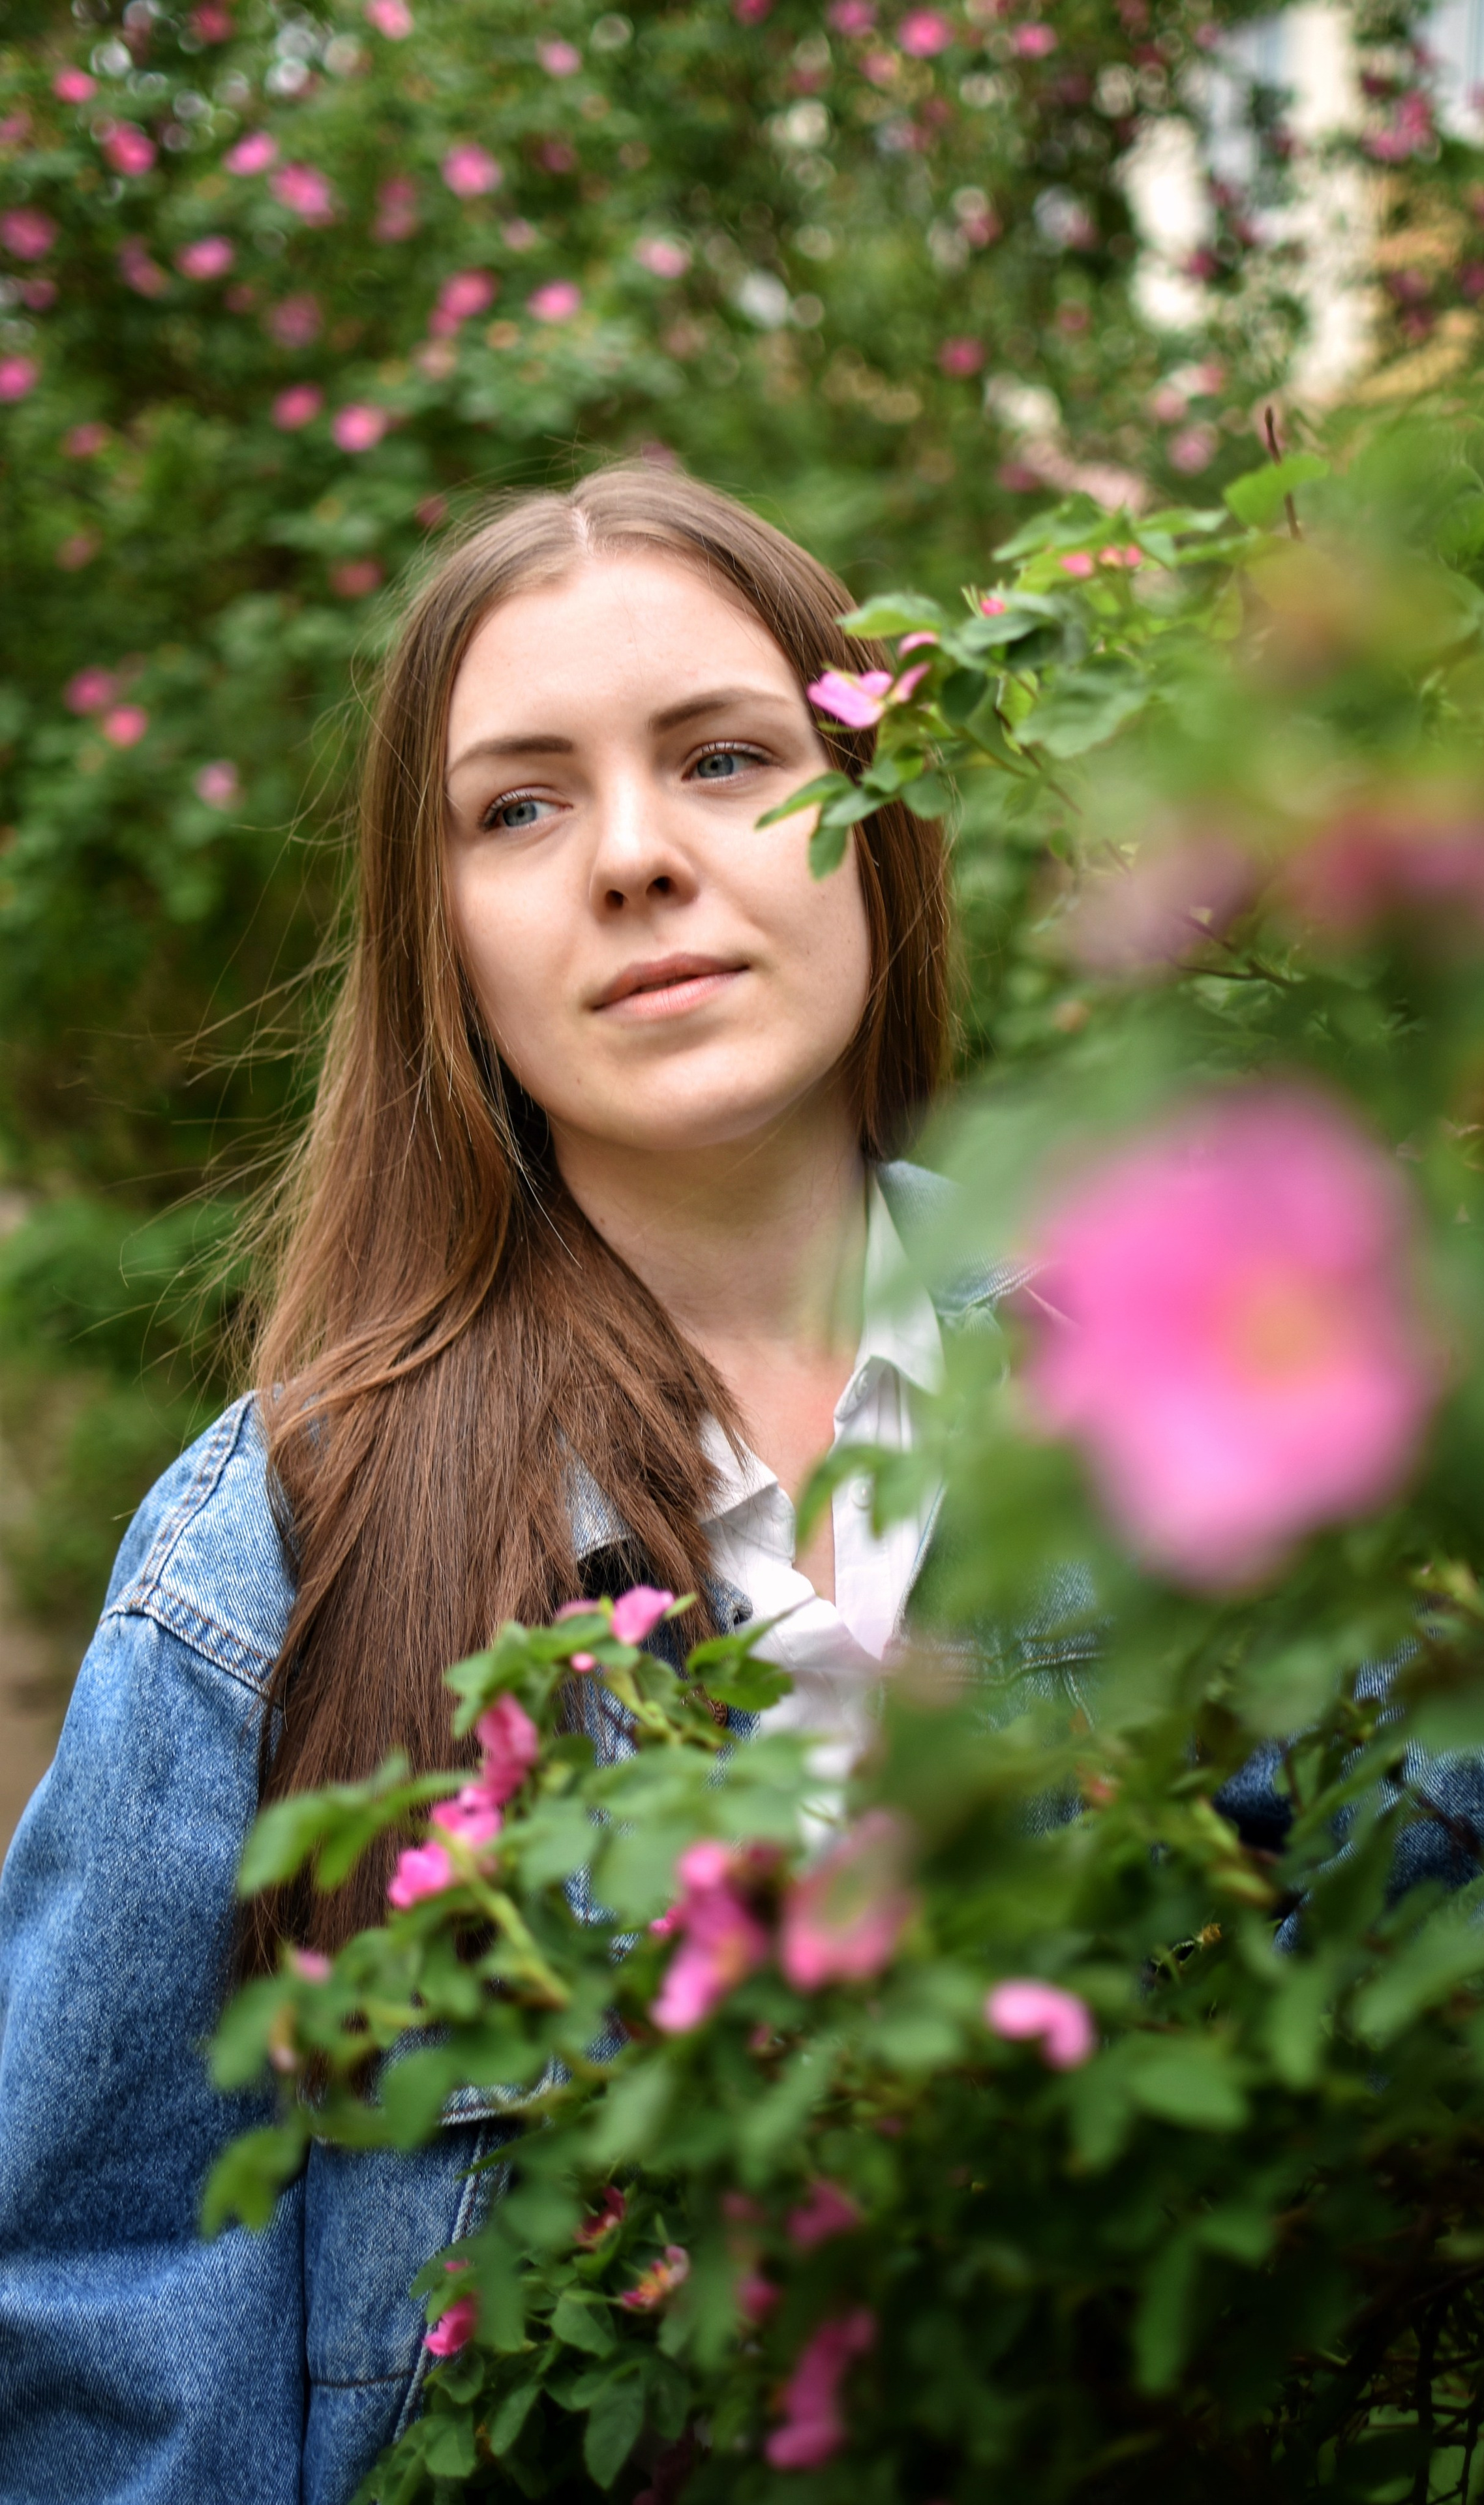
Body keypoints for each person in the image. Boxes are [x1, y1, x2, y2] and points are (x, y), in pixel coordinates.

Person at [0, 467, 1076, 2505]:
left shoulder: (1178, 1399)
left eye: (725, 758)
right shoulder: (268, 1565)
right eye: (518, 807)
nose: (638, 858)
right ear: (446, 944)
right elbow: (105, 2339)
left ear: (879, 820)